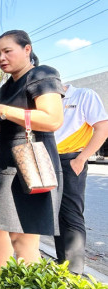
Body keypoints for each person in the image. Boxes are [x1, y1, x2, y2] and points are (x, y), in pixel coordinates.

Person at [0, 30, 64, 272]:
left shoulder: (42, 75)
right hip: (7, 166)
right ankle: (3, 287)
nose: (1, 58)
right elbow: (7, 129)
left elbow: (52, 120)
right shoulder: (6, 88)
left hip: (31, 165)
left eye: (7, 51)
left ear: (27, 50)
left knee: (23, 238)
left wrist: (1, 108)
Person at [54, 85, 108, 274]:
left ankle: (74, 274)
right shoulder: (46, 99)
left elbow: (103, 127)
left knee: (71, 215)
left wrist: (81, 158)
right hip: (48, 160)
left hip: (71, 160)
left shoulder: (83, 95)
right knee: (56, 216)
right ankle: (62, 267)